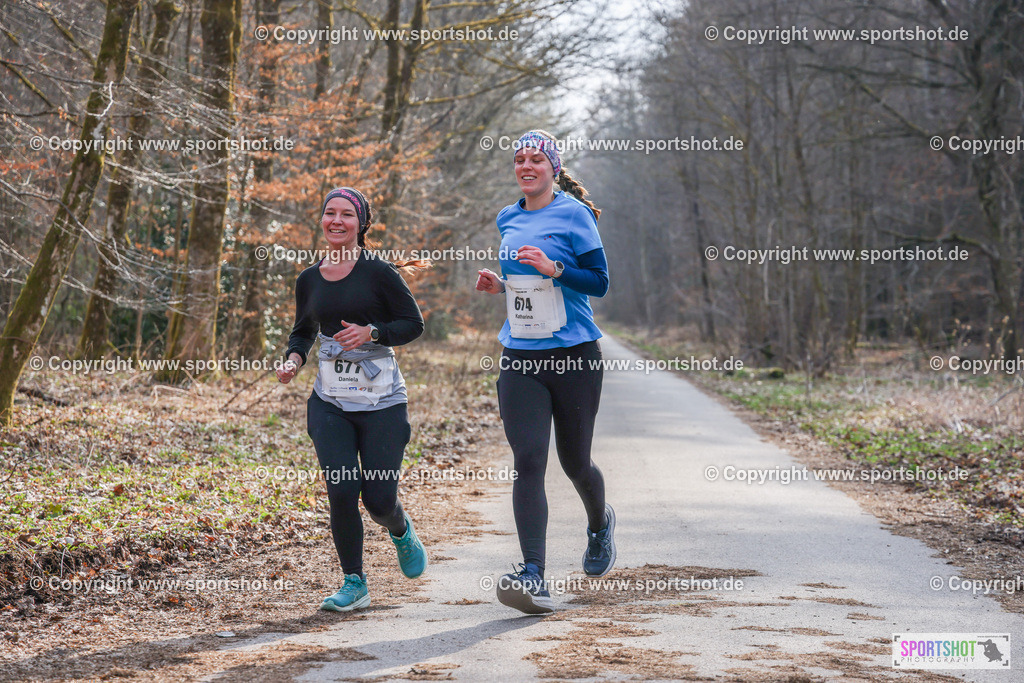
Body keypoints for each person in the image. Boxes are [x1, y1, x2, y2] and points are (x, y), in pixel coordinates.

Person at [475, 130, 615, 614]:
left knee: (575, 462)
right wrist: (500, 286)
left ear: (553, 168)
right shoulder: (507, 217)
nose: (526, 165)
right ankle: (533, 574)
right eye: (519, 159)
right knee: (529, 460)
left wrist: (556, 268)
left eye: (536, 158)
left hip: (574, 355)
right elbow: (522, 286)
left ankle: (599, 524)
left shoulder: (575, 215)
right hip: (520, 356)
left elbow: (599, 283)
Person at [277, 186, 427, 612]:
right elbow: (303, 331)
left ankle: (400, 529)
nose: (336, 220)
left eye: (346, 214)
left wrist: (372, 332)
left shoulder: (379, 273)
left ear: (362, 225)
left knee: (379, 500)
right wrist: (293, 358)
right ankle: (354, 581)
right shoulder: (309, 278)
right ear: (322, 220)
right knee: (341, 487)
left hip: (382, 403)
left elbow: (413, 325)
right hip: (331, 402)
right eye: (330, 213)